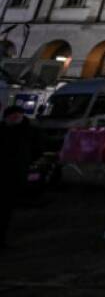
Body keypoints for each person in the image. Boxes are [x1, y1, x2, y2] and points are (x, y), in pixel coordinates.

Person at [0, 106, 37, 248]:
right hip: (10, 173)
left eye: (18, 116)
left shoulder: (28, 132)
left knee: (5, 209)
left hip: (13, 175)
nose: (16, 118)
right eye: (13, 116)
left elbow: (36, 149)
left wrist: (25, 163)